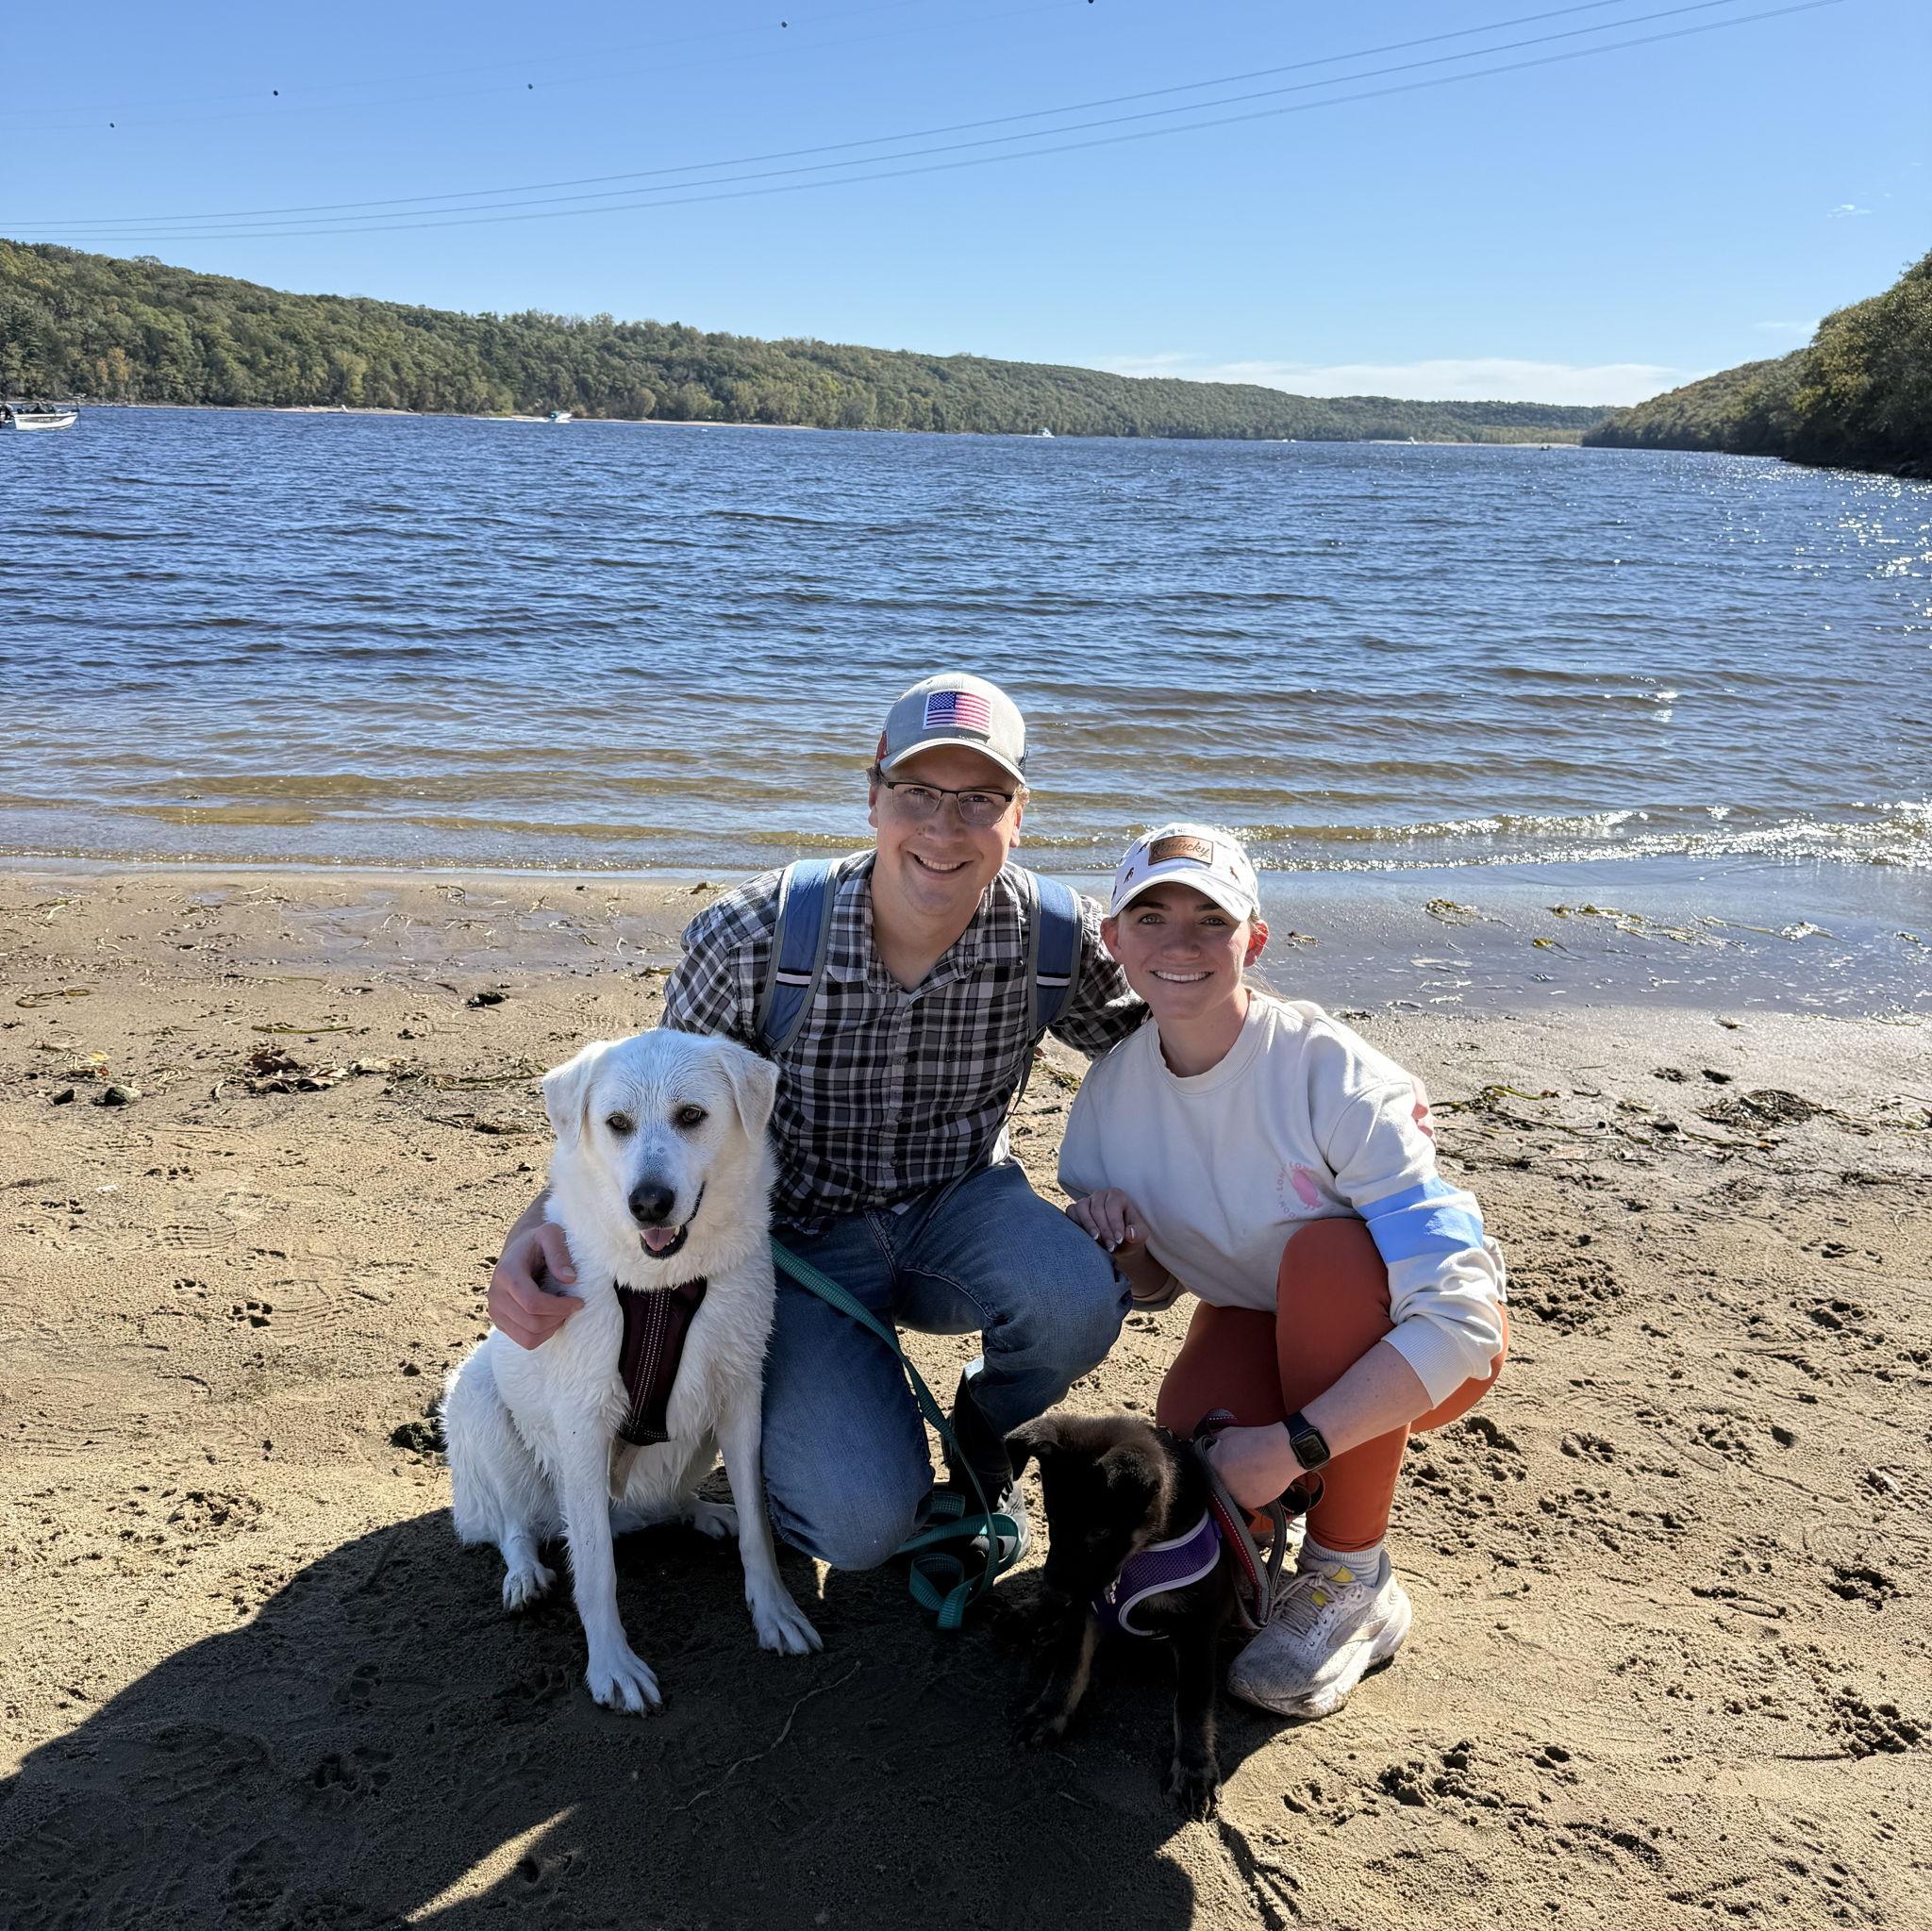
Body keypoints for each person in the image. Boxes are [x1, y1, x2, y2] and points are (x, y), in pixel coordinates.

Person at [486, 674, 1145, 1571]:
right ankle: (828, 1431)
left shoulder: (1055, 938)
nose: (944, 829)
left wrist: (1320, 1097)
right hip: (793, 1246)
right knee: (860, 1529)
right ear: (873, 795)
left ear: (1018, 814)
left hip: (960, 1207)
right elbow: (648, 1116)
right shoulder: (756, 939)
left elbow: (1172, 1042)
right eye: (918, 793)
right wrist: (537, 1227)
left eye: (979, 801)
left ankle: (980, 1436)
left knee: (1073, 1295)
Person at [1058, 823, 1507, 1720]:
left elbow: (1466, 1320)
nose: (1180, 944)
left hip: (1410, 1345)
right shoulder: (1109, 1098)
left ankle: (1352, 1575)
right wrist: (1129, 1248)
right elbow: (1161, 1287)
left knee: (1330, 1255)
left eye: (1210, 919)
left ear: (1253, 939)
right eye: (1150, 916)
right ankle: (1280, 1514)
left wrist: (1289, 1445)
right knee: (1187, 1470)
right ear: (1113, 941)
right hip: (1254, 1318)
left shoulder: (1331, 1073)